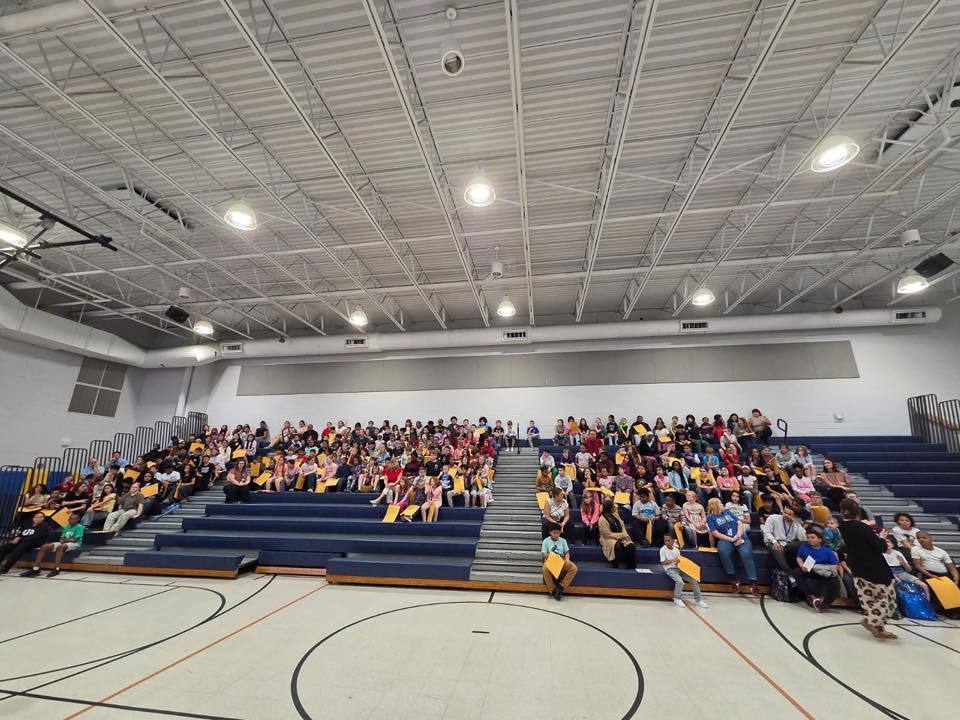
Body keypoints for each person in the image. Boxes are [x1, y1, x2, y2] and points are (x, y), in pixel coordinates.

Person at [839, 498, 897, 640]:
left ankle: (878, 627)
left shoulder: (842, 526)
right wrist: (882, 538)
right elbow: (879, 546)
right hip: (873, 567)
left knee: (870, 599)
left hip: (857, 566)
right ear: (858, 512)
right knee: (887, 597)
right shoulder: (861, 527)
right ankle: (871, 621)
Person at [706, 498, 760, 596]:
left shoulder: (727, 511)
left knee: (746, 554)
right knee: (723, 551)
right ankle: (733, 578)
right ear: (715, 506)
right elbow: (715, 533)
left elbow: (739, 522)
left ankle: (753, 582)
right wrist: (730, 539)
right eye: (720, 503)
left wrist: (738, 535)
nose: (723, 504)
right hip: (726, 538)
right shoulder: (710, 518)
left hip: (740, 536)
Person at [21, 511, 84, 577]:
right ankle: (36, 569)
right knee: (44, 547)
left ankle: (56, 569)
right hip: (64, 543)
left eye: (73, 519)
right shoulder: (66, 527)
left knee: (60, 547)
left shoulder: (79, 527)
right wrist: (63, 540)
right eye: (70, 518)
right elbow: (61, 538)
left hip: (75, 544)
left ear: (77, 520)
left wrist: (64, 540)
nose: (71, 520)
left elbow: (74, 540)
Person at [795, 527, 842, 612]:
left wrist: (830, 572)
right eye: (808, 537)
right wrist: (802, 566)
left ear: (820, 539)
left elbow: (835, 564)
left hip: (823, 571)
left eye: (812, 537)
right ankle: (811, 596)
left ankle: (825, 603)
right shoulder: (803, 547)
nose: (809, 539)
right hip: (810, 569)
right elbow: (799, 557)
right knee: (796, 572)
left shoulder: (827, 551)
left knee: (835, 582)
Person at [660, 533, 708, 609]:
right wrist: (673, 560)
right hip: (669, 569)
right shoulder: (662, 550)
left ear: (673, 541)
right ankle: (677, 598)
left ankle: (698, 600)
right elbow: (662, 562)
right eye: (665, 541)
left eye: (668, 540)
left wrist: (682, 564)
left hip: (679, 568)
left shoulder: (676, 550)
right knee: (680, 581)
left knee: (694, 580)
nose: (666, 542)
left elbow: (679, 561)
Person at [762, 505, 806, 571]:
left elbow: (803, 538)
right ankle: (789, 572)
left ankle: (806, 568)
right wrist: (774, 542)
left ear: (794, 516)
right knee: (779, 550)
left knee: (806, 544)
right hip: (772, 542)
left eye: (789, 514)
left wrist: (797, 524)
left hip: (787, 543)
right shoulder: (773, 518)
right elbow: (766, 531)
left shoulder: (795, 524)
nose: (786, 515)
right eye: (785, 513)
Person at [541, 525, 577, 600]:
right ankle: (553, 590)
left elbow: (567, 552)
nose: (556, 534)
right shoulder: (546, 541)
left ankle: (561, 586)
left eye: (557, 533)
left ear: (560, 532)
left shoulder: (563, 541)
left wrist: (567, 559)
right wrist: (551, 555)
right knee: (545, 569)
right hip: (551, 559)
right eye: (554, 533)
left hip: (561, 559)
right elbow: (544, 554)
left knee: (573, 568)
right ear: (550, 532)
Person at [599, 499, 636, 569]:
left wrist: (626, 534)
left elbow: (622, 525)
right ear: (609, 509)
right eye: (613, 507)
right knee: (616, 546)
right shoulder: (602, 519)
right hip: (607, 539)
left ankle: (631, 567)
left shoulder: (615, 514)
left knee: (631, 545)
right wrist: (622, 535)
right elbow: (607, 535)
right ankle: (615, 566)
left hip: (619, 535)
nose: (615, 507)